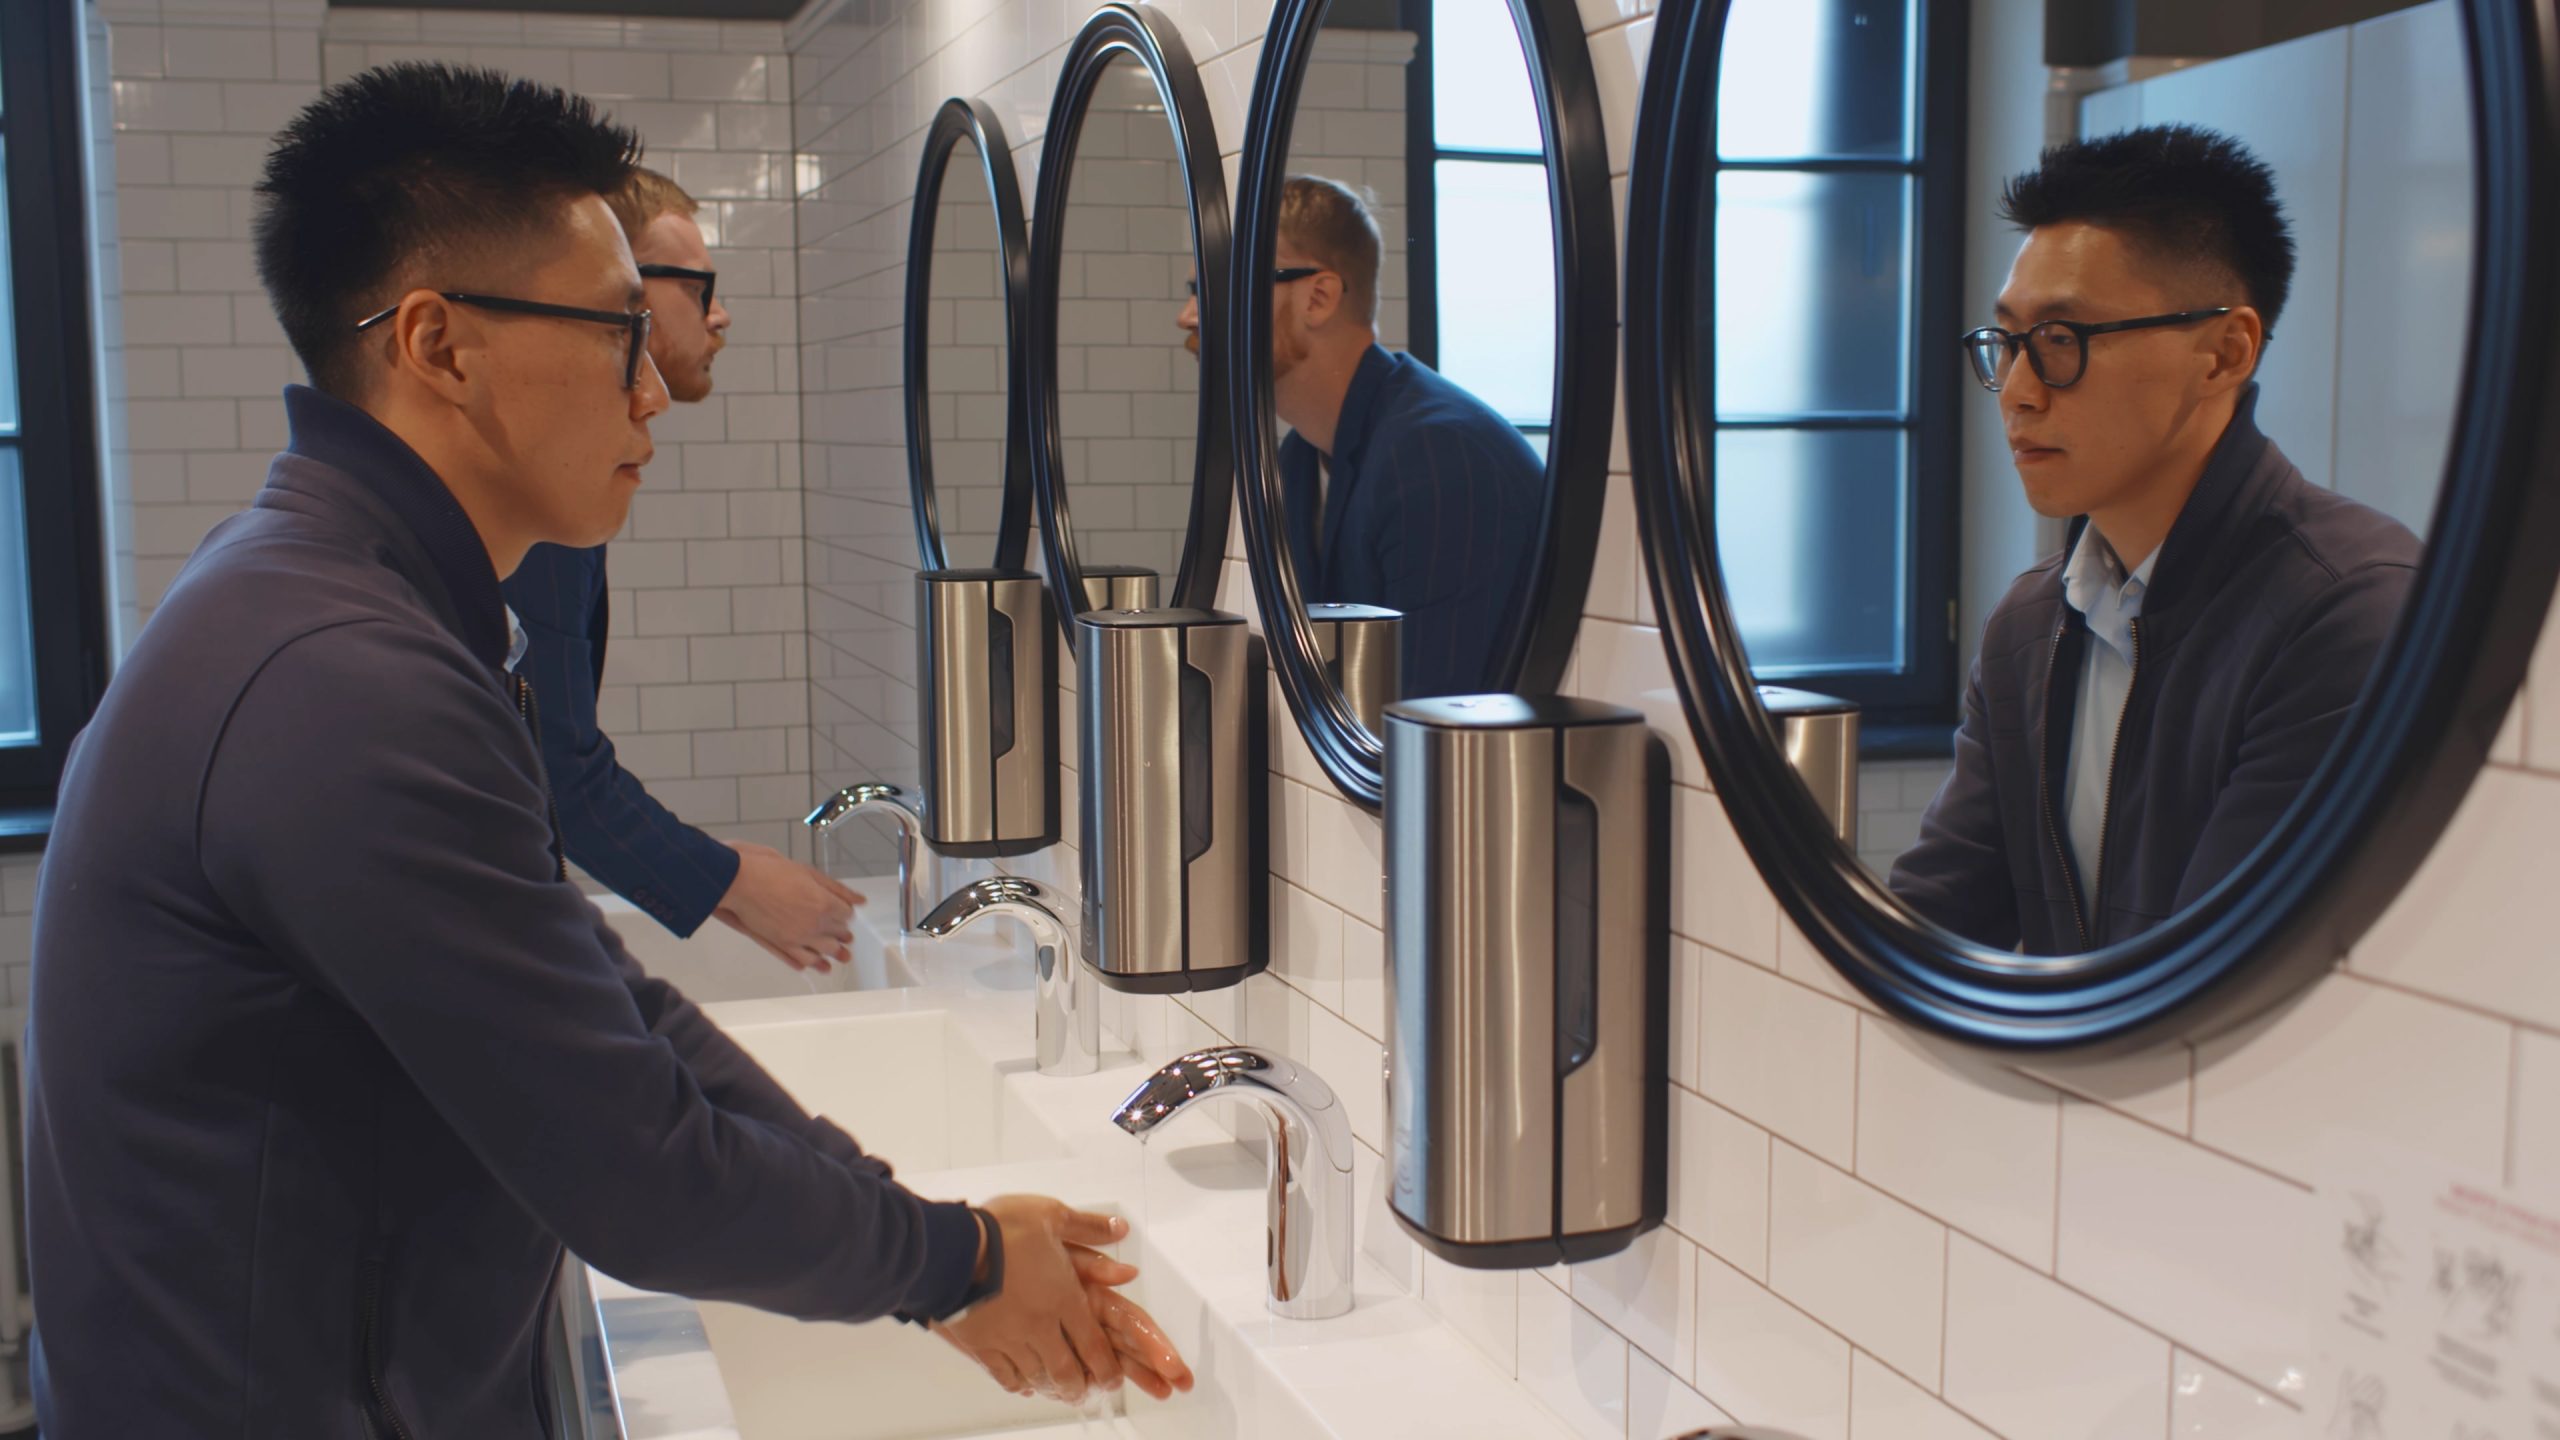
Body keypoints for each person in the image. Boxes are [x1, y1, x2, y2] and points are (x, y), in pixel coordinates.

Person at [25, 64, 1187, 1436]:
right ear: (438, 344)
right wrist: (952, 1264)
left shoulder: (347, 604)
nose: (654, 390)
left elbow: (614, 1011)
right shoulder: (340, 682)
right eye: (618, 331)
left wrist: (931, 1240)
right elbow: (634, 1170)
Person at [1889, 125, 2421, 953]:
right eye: (2008, 343)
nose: (2019, 392)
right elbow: (1932, 931)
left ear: (2224, 354)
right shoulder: (2029, 623)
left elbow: (2217, 983)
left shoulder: (2353, 610)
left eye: (2063, 342)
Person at [504, 167, 858, 975]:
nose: (720, 315)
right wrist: (726, 880)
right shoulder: (538, 499)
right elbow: (554, 767)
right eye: (698, 287)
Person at [1177, 177, 1546, 699]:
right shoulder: (1300, 456)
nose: (1187, 317)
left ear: (1319, 297)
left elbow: (1434, 720)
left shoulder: (1441, 461)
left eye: (1215, 288)